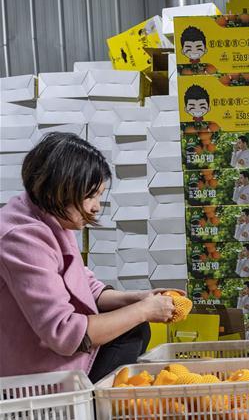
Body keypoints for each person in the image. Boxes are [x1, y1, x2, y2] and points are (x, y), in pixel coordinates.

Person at [0, 133, 178, 381]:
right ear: (59, 189)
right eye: (91, 195)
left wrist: (140, 299)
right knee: (134, 326)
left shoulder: (49, 217)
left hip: (55, 355)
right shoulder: (21, 238)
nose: (96, 207)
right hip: (35, 375)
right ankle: (89, 404)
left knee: (135, 328)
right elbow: (64, 333)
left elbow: (85, 286)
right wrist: (143, 311)